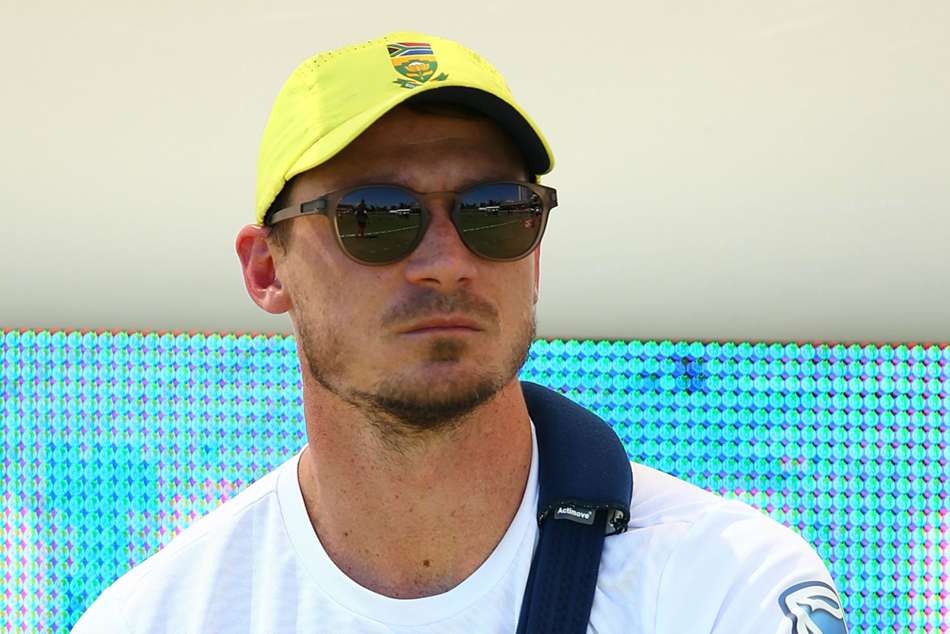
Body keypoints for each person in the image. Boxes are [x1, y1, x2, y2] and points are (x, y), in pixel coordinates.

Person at [72, 31, 848, 633]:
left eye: (496, 212)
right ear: (266, 269)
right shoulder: (156, 616)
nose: (448, 263)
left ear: (535, 252)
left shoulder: (725, 583)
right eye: (376, 216)